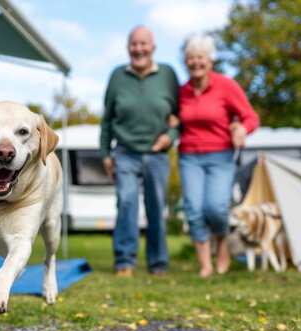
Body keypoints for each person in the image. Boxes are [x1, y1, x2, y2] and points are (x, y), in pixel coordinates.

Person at [100, 26, 180, 278]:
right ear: (128, 48)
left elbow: (180, 117)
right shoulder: (117, 76)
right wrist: (105, 154)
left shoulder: (167, 74)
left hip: (157, 154)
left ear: (153, 48)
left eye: (143, 44)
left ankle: (158, 264)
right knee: (126, 203)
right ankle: (124, 261)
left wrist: (170, 137)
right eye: (134, 44)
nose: (139, 49)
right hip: (124, 152)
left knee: (156, 206)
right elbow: (107, 120)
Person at [177, 34, 259, 277]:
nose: (195, 62)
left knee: (215, 207)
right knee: (193, 210)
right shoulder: (182, 92)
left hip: (221, 154)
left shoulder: (226, 86)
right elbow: (173, 120)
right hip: (189, 155)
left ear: (210, 61)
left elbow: (250, 117)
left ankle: (221, 245)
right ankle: (205, 265)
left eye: (200, 57)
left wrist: (242, 128)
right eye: (191, 58)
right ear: (186, 62)